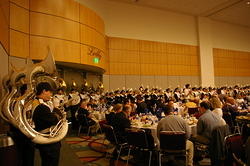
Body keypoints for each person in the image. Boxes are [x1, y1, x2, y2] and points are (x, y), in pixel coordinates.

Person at [32, 82, 61, 166]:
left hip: (46, 139)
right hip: (49, 141)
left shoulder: (37, 102)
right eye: (50, 92)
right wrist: (56, 116)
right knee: (51, 163)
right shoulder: (41, 107)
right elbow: (55, 120)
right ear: (44, 91)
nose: (51, 94)